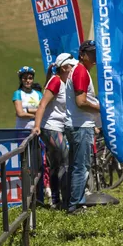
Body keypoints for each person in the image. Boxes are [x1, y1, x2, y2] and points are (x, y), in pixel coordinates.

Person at [32, 53, 78, 210]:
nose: (74, 69)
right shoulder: (56, 81)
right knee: (65, 161)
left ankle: (56, 201)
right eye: (71, 66)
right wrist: (37, 126)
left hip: (58, 127)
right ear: (64, 67)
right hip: (50, 127)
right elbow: (42, 104)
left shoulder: (65, 82)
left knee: (56, 164)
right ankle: (66, 201)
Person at [64, 40, 101, 214]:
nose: (94, 56)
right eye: (91, 53)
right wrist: (100, 109)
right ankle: (76, 205)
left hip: (76, 124)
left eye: (96, 53)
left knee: (75, 166)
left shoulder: (78, 71)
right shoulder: (80, 72)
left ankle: (71, 202)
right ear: (82, 55)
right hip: (81, 125)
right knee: (82, 167)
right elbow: (81, 102)